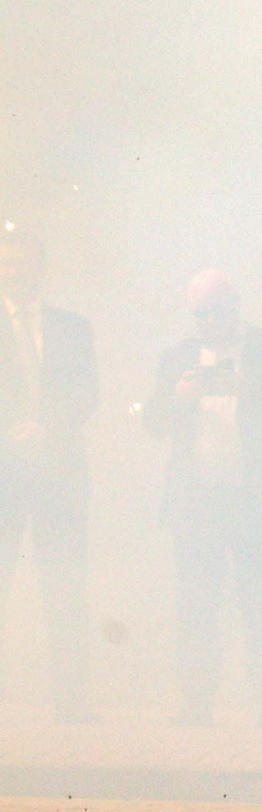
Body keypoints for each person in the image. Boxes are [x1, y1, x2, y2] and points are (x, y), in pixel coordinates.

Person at [141, 271, 262, 725]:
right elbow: (151, 424)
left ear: (236, 304)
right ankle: (197, 707)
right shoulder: (176, 356)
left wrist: (254, 389)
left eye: (216, 309)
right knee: (196, 608)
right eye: (200, 313)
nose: (208, 320)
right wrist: (178, 397)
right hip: (195, 503)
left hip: (257, 500)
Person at [0, 228, 98, 722]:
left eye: (25, 263)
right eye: (8, 264)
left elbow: (87, 393)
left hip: (59, 477)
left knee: (65, 589)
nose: (17, 272)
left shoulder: (73, 327)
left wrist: (47, 427)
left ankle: (72, 706)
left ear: (42, 268)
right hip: (2, 480)